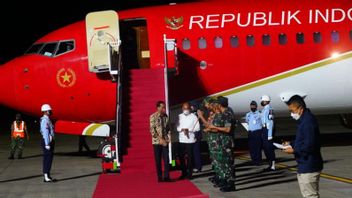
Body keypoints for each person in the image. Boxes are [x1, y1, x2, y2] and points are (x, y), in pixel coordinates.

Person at [283, 95, 323, 198]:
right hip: (305, 164)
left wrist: (294, 150)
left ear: (300, 108)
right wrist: (291, 143)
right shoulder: (304, 120)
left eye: (292, 110)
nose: (291, 113)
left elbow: (310, 145)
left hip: (309, 165)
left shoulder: (307, 122)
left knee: (310, 196)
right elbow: (303, 139)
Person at [207, 96, 235, 192]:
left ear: (219, 105)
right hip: (222, 142)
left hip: (226, 143)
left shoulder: (227, 114)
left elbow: (227, 129)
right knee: (223, 164)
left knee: (227, 164)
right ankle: (225, 182)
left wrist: (214, 127)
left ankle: (231, 184)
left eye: (217, 104)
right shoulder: (224, 114)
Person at [150, 101, 171, 182]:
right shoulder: (153, 116)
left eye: (164, 107)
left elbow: (168, 128)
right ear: (158, 107)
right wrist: (160, 139)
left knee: (166, 159)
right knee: (158, 160)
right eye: (162, 107)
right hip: (157, 142)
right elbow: (152, 130)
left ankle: (167, 177)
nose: (163, 109)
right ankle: (159, 177)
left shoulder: (166, 116)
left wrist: (168, 138)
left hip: (165, 141)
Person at [177, 102, 200, 179]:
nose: (185, 110)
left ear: (190, 108)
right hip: (181, 140)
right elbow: (177, 128)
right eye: (184, 108)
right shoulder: (179, 116)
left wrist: (189, 130)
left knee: (190, 157)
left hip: (190, 140)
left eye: (187, 108)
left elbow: (197, 128)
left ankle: (190, 174)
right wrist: (182, 129)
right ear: (182, 108)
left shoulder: (194, 117)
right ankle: (183, 173)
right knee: (181, 157)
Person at [40, 104, 56, 182]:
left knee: (49, 159)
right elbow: (46, 132)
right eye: (49, 110)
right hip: (47, 142)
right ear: (46, 111)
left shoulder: (48, 119)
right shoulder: (45, 120)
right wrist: (47, 143)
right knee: (47, 159)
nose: (50, 111)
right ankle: (46, 176)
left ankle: (48, 175)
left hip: (50, 141)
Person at [260, 95, 276, 171]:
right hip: (264, 129)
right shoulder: (264, 110)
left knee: (269, 148)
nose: (262, 102)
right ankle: (269, 164)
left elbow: (271, 122)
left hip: (268, 129)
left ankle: (272, 165)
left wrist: (270, 134)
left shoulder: (270, 109)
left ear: (266, 101)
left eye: (262, 101)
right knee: (265, 148)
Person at [245, 101, 262, 165]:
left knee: (257, 147)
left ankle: (258, 160)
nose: (252, 107)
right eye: (251, 106)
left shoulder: (259, 114)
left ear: (256, 106)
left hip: (257, 132)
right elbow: (247, 121)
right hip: (250, 132)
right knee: (251, 147)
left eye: (253, 106)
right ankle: (253, 160)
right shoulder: (248, 114)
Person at [190, 102, 202, 173]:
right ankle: (195, 166)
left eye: (192, 106)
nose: (191, 108)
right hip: (192, 134)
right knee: (193, 151)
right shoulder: (192, 113)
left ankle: (198, 167)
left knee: (196, 151)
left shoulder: (197, 113)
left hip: (196, 134)